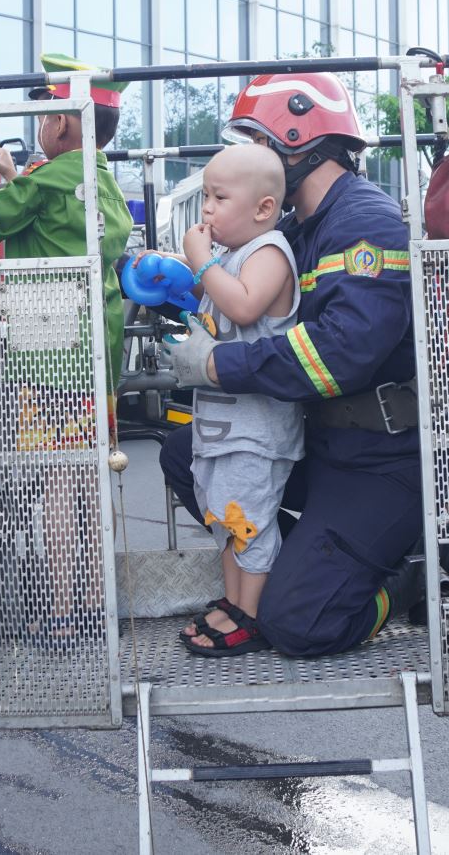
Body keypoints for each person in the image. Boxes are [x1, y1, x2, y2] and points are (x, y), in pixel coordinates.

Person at [161, 72, 423, 658]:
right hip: (321, 445)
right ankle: (299, 561)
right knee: (189, 456)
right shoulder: (294, 229)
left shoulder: (365, 225)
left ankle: (409, 576)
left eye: (257, 141)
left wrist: (219, 366)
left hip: (380, 462)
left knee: (300, 624)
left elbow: (340, 355)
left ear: (298, 144)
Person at [0, 52, 134, 644]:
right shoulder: (105, 182)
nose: (40, 128)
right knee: (94, 481)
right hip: (99, 357)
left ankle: (64, 607)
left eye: (44, 116)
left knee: (57, 487)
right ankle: (100, 601)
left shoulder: (48, 177)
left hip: (47, 354)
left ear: (64, 123)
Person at [147, 146, 303, 657]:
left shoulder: (270, 252)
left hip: (255, 433)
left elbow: (242, 304)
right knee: (226, 522)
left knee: (247, 523)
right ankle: (236, 603)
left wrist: (202, 260)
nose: (207, 209)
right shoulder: (234, 256)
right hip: (220, 429)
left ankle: (251, 617)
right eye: (205, 197)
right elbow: (216, 306)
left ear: (262, 208)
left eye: (218, 197)